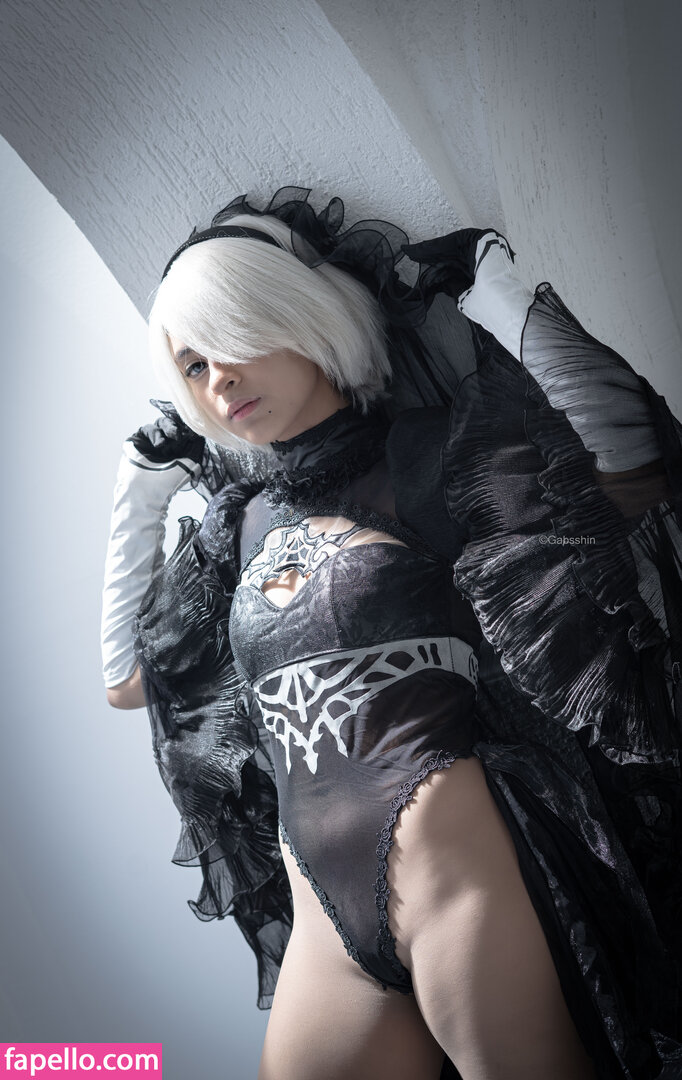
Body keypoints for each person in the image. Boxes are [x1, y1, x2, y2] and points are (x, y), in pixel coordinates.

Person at [101, 187, 682, 1079]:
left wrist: (489, 283)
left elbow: (631, 467)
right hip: (323, 921)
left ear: (296, 313)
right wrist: (142, 480)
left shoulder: (430, 458)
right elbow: (127, 679)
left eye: (232, 338)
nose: (218, 379)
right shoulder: (234, 528)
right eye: (192, 366)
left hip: (459, 881)